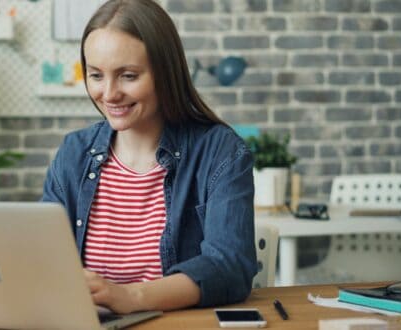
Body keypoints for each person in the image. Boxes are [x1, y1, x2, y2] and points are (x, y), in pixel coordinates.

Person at [41, 0, 257, 314]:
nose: (109, 94)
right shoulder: (73, 154)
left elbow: (229, 266)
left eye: (128, 76)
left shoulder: (220, 151)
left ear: (165, 73)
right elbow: (43, 258)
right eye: (96, 75)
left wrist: (130, 297)